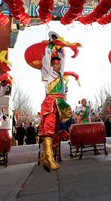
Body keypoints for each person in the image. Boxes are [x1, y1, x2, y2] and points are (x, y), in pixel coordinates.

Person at [38, 32, 74, 172]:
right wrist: (50, 45)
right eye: (56, 64)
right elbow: (46, 59)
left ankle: (45, 157)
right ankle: (49, 158)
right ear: (51, 65)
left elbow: (63, 59)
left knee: (56, 130)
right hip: (50, 102)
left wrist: (60, 48)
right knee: (48, 130)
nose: (58, 66)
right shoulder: (47, 73)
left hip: (60, 104)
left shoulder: (60, 74)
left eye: (59, 64)